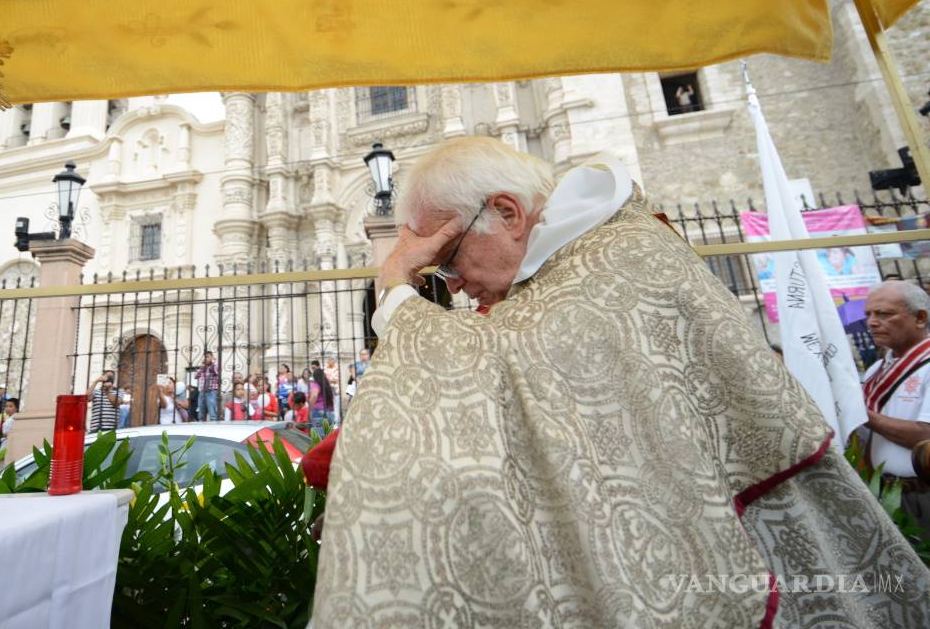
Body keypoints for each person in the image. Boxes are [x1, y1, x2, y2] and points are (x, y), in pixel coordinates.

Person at [312, 137, 929, 626]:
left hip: (756, 551)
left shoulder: (612, 257)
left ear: (506, 211)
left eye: (446, 261)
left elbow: (487, 366)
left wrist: (393, 285)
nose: (451, 284)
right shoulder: (563, 268)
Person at [859, 281, 930, 536]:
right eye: (868, 314)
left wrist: (863, 414)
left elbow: (925, 436)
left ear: (920, 318)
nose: (872, 322)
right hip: (887, 494)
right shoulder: (874, 370)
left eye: (884, 314)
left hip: (923, 493)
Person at [195, 351, 220, 421]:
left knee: (212, 414)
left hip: (211, 391)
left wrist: (214, 361)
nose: (206, 359)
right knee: (201, 414)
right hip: (202, 391)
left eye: (207, 357)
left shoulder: (216, 364)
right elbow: (196, 376)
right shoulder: (203, 367)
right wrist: (201, 367)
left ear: (212, 357)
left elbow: (215, 370)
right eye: (205, 357)